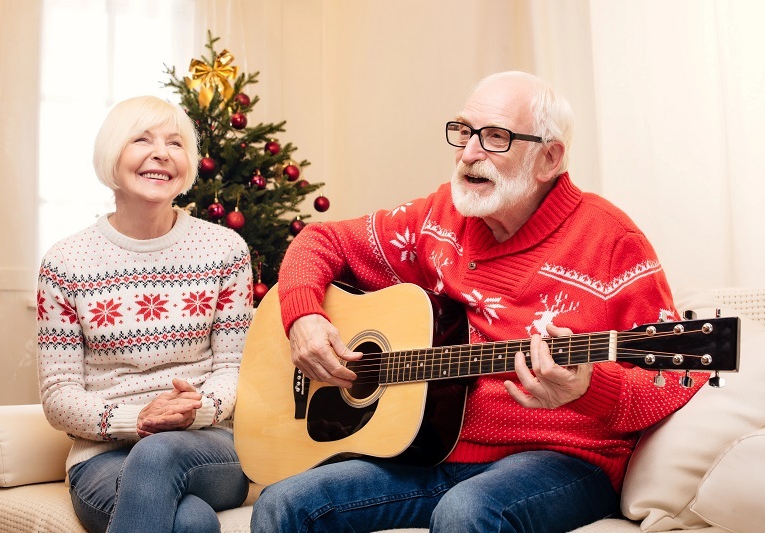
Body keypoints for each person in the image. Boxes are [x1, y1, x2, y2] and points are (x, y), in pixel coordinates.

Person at [249, 71, 707, 532]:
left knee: (466, 513)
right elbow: (321, 240)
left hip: (563, 458)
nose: (468, 153)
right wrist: (304, 315)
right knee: (283, 503)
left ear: (549, 158)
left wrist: (590, 389)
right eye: (465, 131)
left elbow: (677, 374)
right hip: (433, 449)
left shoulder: (611, 241)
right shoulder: (440, 216)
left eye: (495, 138)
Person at [36, 95, 253, 533]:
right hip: (104, 455)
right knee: (191, 523)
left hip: (210, 445)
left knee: (158, 454)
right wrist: (136, 419)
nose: (161, 153)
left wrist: (198, 410)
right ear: (111, 156)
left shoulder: (225, 250)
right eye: (142, 139)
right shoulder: (65, 261)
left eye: (175, 143)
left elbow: (235, 368)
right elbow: (59, 396)